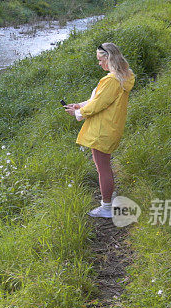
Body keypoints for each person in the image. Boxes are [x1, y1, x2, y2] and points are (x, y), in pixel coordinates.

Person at [64, 42, 135, 218]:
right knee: (104, 165)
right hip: (111, 127)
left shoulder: (111, 80)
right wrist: (80, 105)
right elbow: (99, 99)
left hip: (102, 130)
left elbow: (98, 104)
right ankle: (109, 196)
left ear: (108, 58)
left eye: (100, 60)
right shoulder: (124, 76)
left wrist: (78, 112)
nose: (99, 63)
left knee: (102, 167)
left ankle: (107, 207)